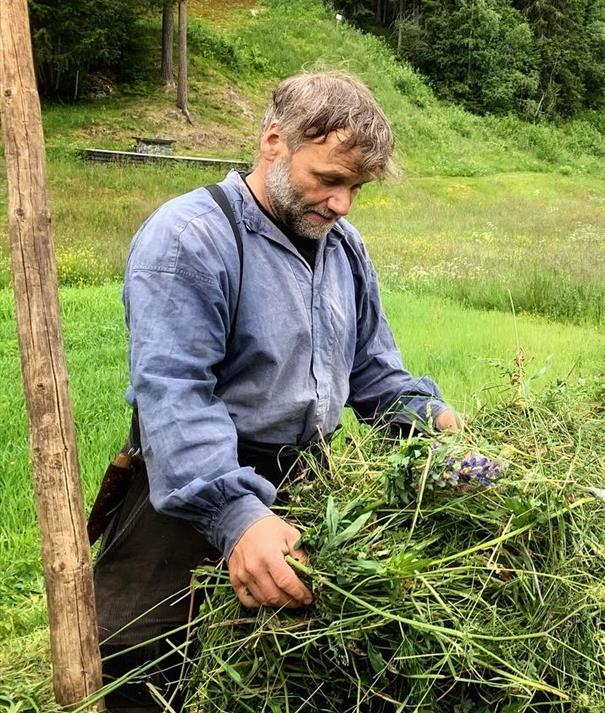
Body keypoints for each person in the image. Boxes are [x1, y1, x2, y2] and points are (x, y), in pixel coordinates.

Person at [92, 72, 458, 712]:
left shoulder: (341, 246)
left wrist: (434, 421)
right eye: (329, 179)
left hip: (305, 483)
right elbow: (176, 397)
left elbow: (372, 371)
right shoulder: (192, 237)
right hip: (191, 488)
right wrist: (237, 519)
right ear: (273, 142)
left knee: (282, 678)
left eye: (355, 188)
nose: (342, 203)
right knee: (148, 672)